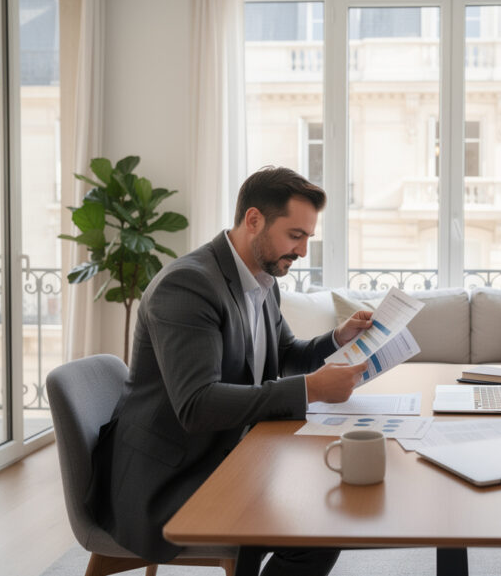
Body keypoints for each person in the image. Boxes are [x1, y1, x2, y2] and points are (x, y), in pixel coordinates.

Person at [87, 166, 370, 574]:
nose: (304, 251)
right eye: (296, 235)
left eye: (308, 238)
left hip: (227, 450)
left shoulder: (260, 279)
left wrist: (337, 339)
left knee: (325, 497)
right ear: (254, 220)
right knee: (320, 525)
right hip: (168, 478)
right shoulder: (188, 286)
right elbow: (198, 404)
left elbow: (285, 352)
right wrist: (310, 388)